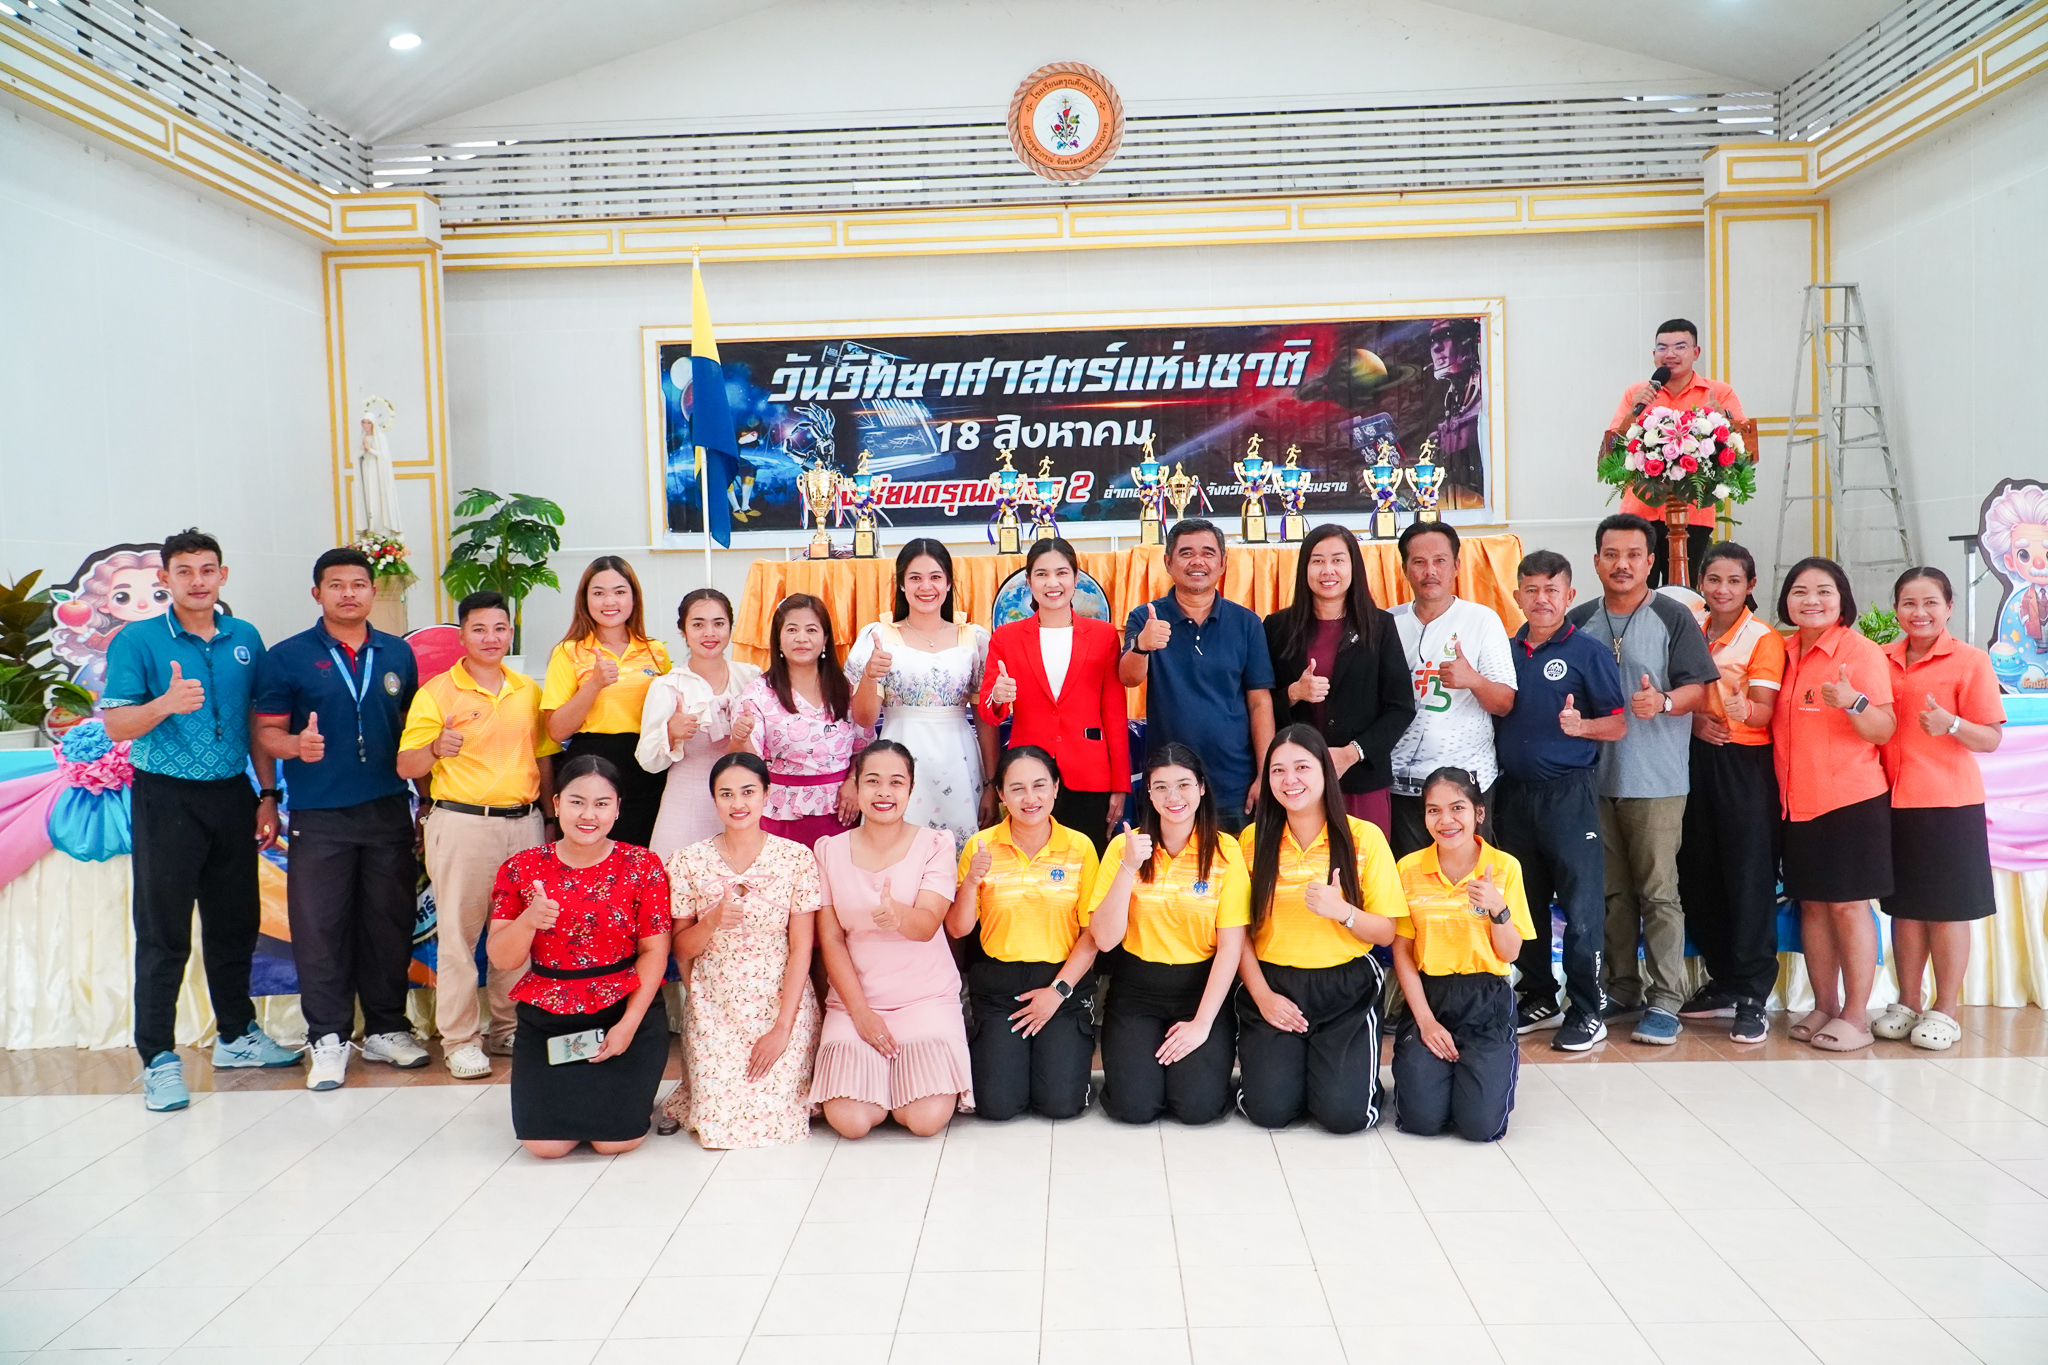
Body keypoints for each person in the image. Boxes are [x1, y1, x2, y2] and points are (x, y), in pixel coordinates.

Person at [101, 529, 300, 1110]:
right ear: (165, 578)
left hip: (232, 795)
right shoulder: (137, 640)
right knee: (163, 932)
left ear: (222, 576)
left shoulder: (246, 637)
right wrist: (164, 704)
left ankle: (236, 1036)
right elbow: (115, 726)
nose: (196, 581)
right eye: (184, 571)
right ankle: (158, 1058)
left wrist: (267, 794)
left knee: (235, 923)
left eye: (207, 570)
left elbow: (260, 723)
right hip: (166, 797)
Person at [254, 547, 425, 1091]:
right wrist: (294, 748)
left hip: (388, 808)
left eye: (358, 584)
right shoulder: (287, 656)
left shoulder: (398, 653)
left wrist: (426, 803)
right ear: (317, 593)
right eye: (336, 585)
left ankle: (386, 1028)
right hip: (318, 813)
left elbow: (414, 733)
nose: (348, 593)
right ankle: (327, 1037)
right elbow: (265, 732)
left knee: (387, 924)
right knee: (320, 928)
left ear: (372, 591)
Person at [1565, 514, 1719, 1045]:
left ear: (1651, 562)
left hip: (1657, 781)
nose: (1622, 564)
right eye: (1611, 554)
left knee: (1658, 893)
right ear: (1596, 561)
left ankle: (1667, 999)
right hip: (1593, 781)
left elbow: (1700, 689)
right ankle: (1622, 988)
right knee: (1611, 893)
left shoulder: (1673, 616)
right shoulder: (1579, 619)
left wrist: (1665, 702)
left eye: (1633, 555)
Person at [398, 590, 556, 1079]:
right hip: (463, 824)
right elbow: (406, 765)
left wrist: (549, 817)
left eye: (500, 628)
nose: (491, 638)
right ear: (462, 636)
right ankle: (461, 1040)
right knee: (459, 939)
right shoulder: (437, 692)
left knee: (519, 933)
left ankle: (508, 1028)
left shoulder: (527, 689)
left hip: (525, 823)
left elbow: (543, 756)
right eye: (479, 629)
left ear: (511, 633)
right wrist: (436, 747)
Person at [488, 754, 672, 1157]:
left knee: (615, 1141)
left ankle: (633, 1095)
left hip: (623, 1013)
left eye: (602, 804)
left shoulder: (642, 865)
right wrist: (529, 920)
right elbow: (502, 959)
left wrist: (627, 1026)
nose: (589, 815)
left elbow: (655, 952)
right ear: (556, 804)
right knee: (545, 1146)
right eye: (577, 802)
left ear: (617, 808)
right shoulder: (522, 868)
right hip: (548, 1018)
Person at [1237, 726, 1407, 1133]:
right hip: (1274, 983)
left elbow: (1386, 932)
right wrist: (1263, 996)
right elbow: (1236, 931)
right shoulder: (1252, 839)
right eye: (1277, 770)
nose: (1289, 780)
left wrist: (1344, 912)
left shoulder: (1364, 837)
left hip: (1344, 988)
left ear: (1325, 772)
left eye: (1302, 767)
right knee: (1269, 1111)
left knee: (1345, 1117)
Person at [1493, 551, 1627, 1051]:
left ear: (1569, 596)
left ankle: (1588, 1008)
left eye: (1552, 590)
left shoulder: (1588, 652)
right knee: (1523, 902)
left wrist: (1582, 726)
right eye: (1531, 589)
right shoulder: (1503, 651)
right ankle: (1538, 995)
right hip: (1513, 795)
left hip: (1569, 795)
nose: (1541, 599)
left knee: (1581, 906)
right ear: (1517, 596)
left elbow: (1618, 724)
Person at [1871, 568, 2005, 1051]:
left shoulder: (1969, 661)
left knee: (1947, 911)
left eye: (1930, 603)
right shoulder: (1880, 659)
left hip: (1949, 803)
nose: (1919, 612)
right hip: (1890, 800)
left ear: (1949, 607)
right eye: (1909, 603)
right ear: (1896, 609)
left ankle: (1945, 1009)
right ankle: (1907, 1002)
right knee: (1904, 909)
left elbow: (1990, 738)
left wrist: (1952, 724)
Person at [660, 752, 823, 1146]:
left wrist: (782, 1028)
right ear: (713, 799)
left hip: (780, 1001)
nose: (738, 803)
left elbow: (802, 947)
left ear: (767, 793)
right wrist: (712, 920)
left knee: (779, 1116)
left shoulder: (796, 858)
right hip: (715, 1004)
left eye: (748, 792)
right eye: (726, 794)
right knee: (718, 1120)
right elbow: (680, 949)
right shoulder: (687, 862)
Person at [811, 741, 973, 1137]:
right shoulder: (828, 850)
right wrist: (861, 1014)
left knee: (925, 1120)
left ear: (911, 789)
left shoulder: (936, 845)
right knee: (850, 1123)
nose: (884, 792)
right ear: (855, 786)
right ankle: (879, 1082)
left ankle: (897, 1086)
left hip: (925, 997)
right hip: (856, 1001)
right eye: (872, 781)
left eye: (896, 782)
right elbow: (831, 940)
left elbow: (927, 926)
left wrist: (899, 915)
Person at [1086, 745, 1249, 1125]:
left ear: (1202, 788)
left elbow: (1230, 947)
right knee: (1134, 1108)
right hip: (1137, 990)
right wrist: (1129, 867)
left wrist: (1202, 1023)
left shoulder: (1226, 850)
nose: (1173, 797)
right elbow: (1105, 940)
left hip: (1200, 988)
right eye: (1160, 787)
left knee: (1198, 1109)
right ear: (1148, 792)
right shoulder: (1124, 847)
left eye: (1183, 785)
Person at [1773, 557, 1897, 1052]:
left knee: (1848, 907)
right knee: (1813, 907)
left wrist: (1854, 702)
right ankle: (1824, 1005)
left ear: (1842, 599)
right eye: (1800, 591)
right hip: (1795, 803)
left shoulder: (1859, 652)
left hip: (1850, 800)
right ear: (1786, 599)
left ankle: (1856, 1016)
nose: (1812, 600)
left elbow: (1884, 728)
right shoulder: (1780, 651)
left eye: (1824, 591)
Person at [948, 745, 1102, 1121]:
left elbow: (1092, 936)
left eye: (1039, 786)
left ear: (1056, 788)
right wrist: (971, 882)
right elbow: (958, 928)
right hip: (1000, 988)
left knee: (1060, 1105)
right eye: (1017, 789)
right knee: (997, 1106)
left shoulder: (1080, 847)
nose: (1030, 798)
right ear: (1001, 795)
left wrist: (1057, 992)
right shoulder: (980, 847)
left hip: (1062, 983)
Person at [1675, 543, 1786, 1045]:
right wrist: (1697, 721)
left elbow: (1762, 712)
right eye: (1714, 579)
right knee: (1698, 873)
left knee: (1747, 877)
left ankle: (1752, 993)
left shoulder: (1762, 638)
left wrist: (1741, 710)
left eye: (1734, 581)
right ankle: (1722, 980)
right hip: (1693, 759)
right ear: (1701, 582)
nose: (1722, 589)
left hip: (1743, 766)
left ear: (1750, 586)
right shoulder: (1690, 627)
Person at [1390, 767, 1536, 1142]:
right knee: (1421, 1121)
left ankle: (1485, 1075)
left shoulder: (1505, 868)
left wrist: (1498, 909)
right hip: (1429, 995)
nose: (1446, 820)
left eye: (1457, 808)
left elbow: (1510, 952)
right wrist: (1425, 1022)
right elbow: (1402, 951)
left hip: (1486, 998)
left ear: (1478, 813)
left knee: (1480, 1127)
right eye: (1433, 810)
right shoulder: (1408, 869)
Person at [1120, 518, 1276, 832]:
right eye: (1186, 553)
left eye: (1207, 553)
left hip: (1234, 783)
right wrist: (1142, 645)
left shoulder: (1246, 623)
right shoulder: (1146, 617)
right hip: (1169, 784)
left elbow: (1260, 702)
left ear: (1222, 563)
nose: (1197, 561)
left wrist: (1265, 774)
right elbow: (1129, 678)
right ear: (1168, 562)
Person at [1262, 523, 1415, 836]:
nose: (1327, 570)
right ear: (1304, 568)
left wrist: (1351, 753)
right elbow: (1258, 704)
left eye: (1338, 560)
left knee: (1364, 863)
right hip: (1295, 783)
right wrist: (1294, 693)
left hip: (1361, 778)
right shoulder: (1277, 627)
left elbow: (1400, 707)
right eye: (1317, 560)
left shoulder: (1380, 626)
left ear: (1353, 567)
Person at [847, 539, 996, 853]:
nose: (926, 587)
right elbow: (864, 718)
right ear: (902, 584)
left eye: (935, 577)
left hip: (959, 763)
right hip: (898, 759)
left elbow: (985, 719)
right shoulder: (879, 637)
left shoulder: (974, 639)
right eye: (915, 577)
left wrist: (991, 784)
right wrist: (870, 674)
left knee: (960, 860)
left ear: (948, 583)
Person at [979, 538, 1128, 851]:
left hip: (1089, 773)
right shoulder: (1007, 637)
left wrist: (1121, 785)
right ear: (1028, 581)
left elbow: (1114, 713)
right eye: (1042, 574)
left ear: (1076, 578)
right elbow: (989, 711)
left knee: (1087, 862)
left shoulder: (1103, 635)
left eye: (1061, 573)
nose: (1052, 583)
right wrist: (999, 696)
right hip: (1028, 777)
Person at [1387, 521, 1516, 857]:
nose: (1430, 571)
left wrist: (1473, 680)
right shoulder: (1386, 623)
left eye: (1440, 561)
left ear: (1457, 565)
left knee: (1468, 880)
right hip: (1400, 786)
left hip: (1464, 787)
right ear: (1404, 569)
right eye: (1419, 562)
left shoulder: (1482, 620)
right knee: (1408, 879)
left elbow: (1504, 702)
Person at [1605, 318, 1748, 588]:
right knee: (1638, 589)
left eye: (1680, 346)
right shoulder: (1637, 393)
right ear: (1654, 355)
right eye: (1662, 347)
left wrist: (1725, 417)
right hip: (1640, 511)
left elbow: (1744, 445)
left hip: (1694, 511)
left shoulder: (1718, 392)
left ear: (1696, 352)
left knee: (1686, 592)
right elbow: (1611, 450)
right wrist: (1634, 412)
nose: (1670, 354)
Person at [542, 556, 672, 849]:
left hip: (646, 767)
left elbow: (667, 714)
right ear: (585, 599)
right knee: (589, 859)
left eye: (619, 591)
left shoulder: (655, 651)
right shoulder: (568, 652)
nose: (609, 601)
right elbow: (556, 730)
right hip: (590, 767)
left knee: (640, 859)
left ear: (634, 597)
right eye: (598, 592)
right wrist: (594, 684)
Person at [636, 588, 761, 860]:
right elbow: (647, 761)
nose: (709, 633)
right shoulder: (668, 686)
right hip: (686, 803)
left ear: (730, 627)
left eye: (718, 623)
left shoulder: (751, 678)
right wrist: (671, 732)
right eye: (698, 624)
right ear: (683, 630)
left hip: (741, 804)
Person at [732, 593, 862, 847]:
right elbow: (748, 762)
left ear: (825, 639)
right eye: (792, 629)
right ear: (778, 639)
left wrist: (854, 781)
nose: (802, 638)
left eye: (811, 630)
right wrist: (739, 737)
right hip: (780, 817)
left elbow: (863, 749)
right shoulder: (759, 692)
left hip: (842, 813)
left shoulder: (846, 690)